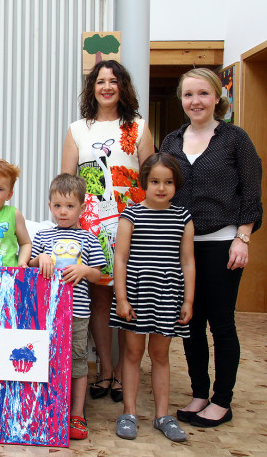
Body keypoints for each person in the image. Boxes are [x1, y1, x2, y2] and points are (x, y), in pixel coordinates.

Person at [161, 68, 262, 427]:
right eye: (188, 95)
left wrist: (243, 237)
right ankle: (200, 392)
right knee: (190, 322)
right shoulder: (172, 142)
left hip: (223, 243)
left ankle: (222, 399)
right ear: (182, 100)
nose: (196, 101)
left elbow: (251, 192)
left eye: (203, 94)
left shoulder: (235, 139)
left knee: (221, 323)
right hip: (182, 247)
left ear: (217, 97)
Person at [61, 60, 155, 402]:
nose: (107, 87)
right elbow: (68, 182)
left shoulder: (138, 127)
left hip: (131, 223)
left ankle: (128, 371)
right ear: (92, 88)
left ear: (123, 86)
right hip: (91, 224)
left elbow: (151, 176)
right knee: (100, 299)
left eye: (113, 81)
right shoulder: (77, 129)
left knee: (128, 295)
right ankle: (105, 372)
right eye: (100, 81)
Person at [110, 153, 195, 442]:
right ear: (144, 182)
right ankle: (129, 413)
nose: (161, 188)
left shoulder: (183, 217)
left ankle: (163, 416)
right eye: (155, 181)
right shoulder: (131, 215)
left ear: (176, 184)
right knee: (132, 355)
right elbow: (119, 259)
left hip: (167, 296)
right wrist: (121, 299)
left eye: (168, 182)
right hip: (136, 295)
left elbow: (187, 262)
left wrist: (188, 301)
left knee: (160, 355)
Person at [29, 173, 105, 440]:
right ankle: (47, 407)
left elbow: (98, 274)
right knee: (46, 360)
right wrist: (40, 259)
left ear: (82, 208)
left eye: (70, 206)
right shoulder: (42, 236)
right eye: (58, 205)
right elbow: (29, 264)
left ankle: (77, 414)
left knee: (77, 361)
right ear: (50, 206)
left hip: (78, 313)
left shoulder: (88, 239)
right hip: (46, 313)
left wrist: (84, 269)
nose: (63, 211)